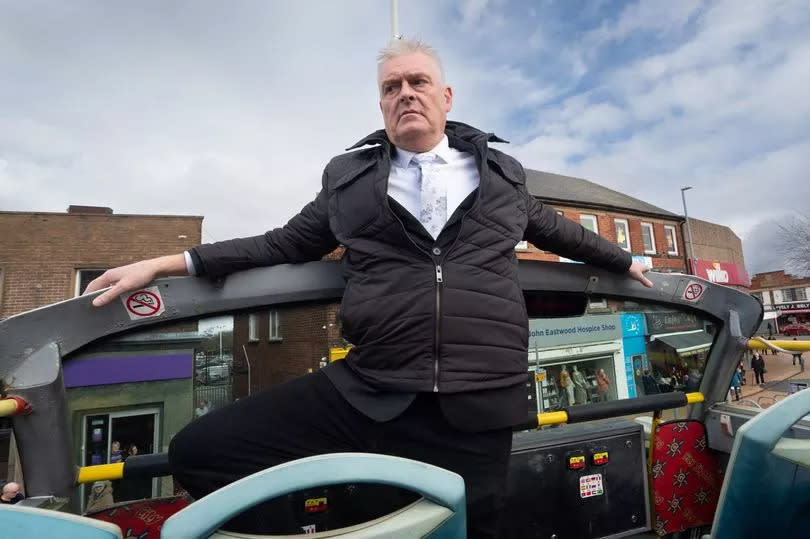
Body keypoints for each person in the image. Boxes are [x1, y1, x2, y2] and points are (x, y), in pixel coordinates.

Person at [85, 38, 652, 537]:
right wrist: (168, 262)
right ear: (381, 104)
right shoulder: (349, 180)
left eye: (418, 82)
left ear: (446, 96)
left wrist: (627, 260)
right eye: (392, 87)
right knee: (200, 451)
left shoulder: (502, 176)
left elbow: (559, 230)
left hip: (481, 400)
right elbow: (281, 245)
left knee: (468, 528)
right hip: (372, 390)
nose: (406, 93)